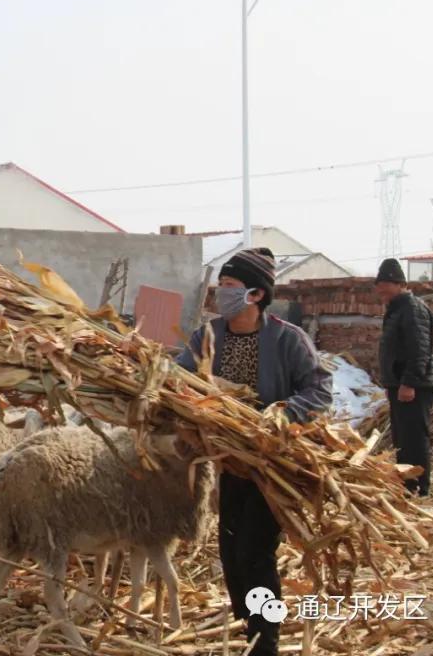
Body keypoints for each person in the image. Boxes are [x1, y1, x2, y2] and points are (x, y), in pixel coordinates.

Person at [177, 247, 332, 656]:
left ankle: (266, 641)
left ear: (255, 294)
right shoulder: (209, 336)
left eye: (229, 286)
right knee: (230, 552)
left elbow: (319, 389)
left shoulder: (286, 338)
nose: (220, 293)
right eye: (221, 285)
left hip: (273, 463)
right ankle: (252, 626)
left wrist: (279, 415)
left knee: (254, 550)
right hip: (232, 463)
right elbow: (178, 377)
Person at [374, 258, 433, 497]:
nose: (381, 289)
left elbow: (420, 349)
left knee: (414, 437)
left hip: (414, 386)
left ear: (400, 284)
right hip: (399, 384)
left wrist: (409, 383)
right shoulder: (396, 308)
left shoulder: (412, 308)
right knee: (402, 438)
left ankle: (420, 487)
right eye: (378, 284)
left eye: (386, 284)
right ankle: (406, 485)